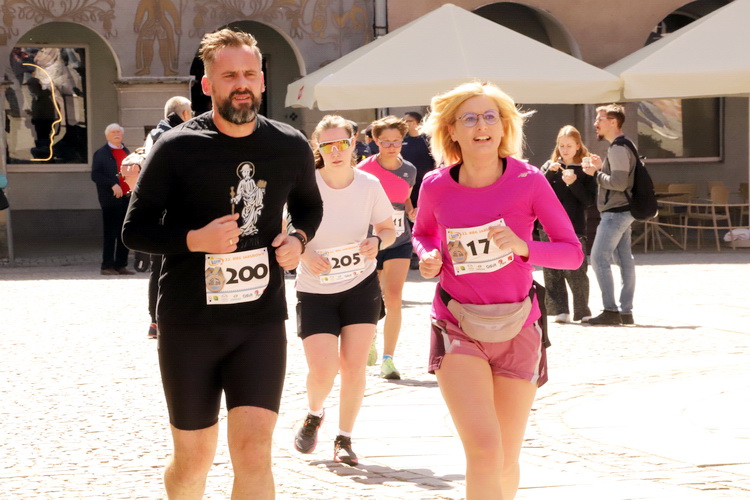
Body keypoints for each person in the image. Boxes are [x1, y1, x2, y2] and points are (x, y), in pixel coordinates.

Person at [122, 28, 323, 498]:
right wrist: (195, 240)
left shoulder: (289, 144)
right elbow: (135, 230)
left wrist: (298, 238)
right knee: (193, 461)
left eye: (250, 73)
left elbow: (310, 207)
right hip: (190, 324)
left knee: (254, 453)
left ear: (263, 81)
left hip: (259, 322)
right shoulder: (177, 147)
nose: (242, 84)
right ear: (208, 84)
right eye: (230, 75)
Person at [413, 81, 583, 500]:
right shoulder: (435, 185)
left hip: (518, 326)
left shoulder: (529, 180)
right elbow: (423, 233)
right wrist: (428, 255)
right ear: (452, 130)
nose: (482, 126)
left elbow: (572, 254)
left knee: (506, 457)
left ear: (504, 126)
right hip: (458, 325)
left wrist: (524, 247)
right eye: (470, 118)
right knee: (485, 452)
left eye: (491, 117)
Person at [292, 115, 396, 466]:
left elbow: (388, 228)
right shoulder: (304, 185)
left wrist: (377, 241)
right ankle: (314, 413)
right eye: (327, 145)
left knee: (354, 367)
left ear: (353, 144)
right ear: (317, 148)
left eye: (342, 144)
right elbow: (282, 231)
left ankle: (344, 438)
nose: (335, 152)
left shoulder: (369, 184)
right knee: (323, 370)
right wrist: (303, 252)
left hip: (360, 286)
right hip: (314, 290)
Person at [357, 115, 416, 379]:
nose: (392, 147)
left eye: (397, 141)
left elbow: (405, 200)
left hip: (399, 241)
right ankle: (369, 338)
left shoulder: (410, 170)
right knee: (371, 298)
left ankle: (388, 359)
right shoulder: (363, 170)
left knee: (393, 296)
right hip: (370, 243)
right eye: (385, 142)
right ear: (375, 141)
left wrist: (412, 211)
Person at [141, 95, 193, 339]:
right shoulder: (175, 136)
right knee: (173, 265)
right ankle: (167, 319)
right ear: (185, 114)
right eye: (191, 112)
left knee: (158, 267)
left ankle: (156, 321)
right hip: (170, 212)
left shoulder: (154, 135)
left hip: (155, 210)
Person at [582, 104, 637, 326]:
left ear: (613, 122)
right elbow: (619, 178)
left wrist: (595, 173)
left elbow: (619, 183)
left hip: (616, 213)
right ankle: (626, 311)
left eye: (600, 119)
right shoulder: (625, 145)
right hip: (623, 211)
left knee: (598, 259)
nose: (595, 123)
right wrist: (601, 168)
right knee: (624, 260)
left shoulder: (618, 148)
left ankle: (610, 310)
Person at [540, 125, 597, 323]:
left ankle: (582, 311)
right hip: (548, 225)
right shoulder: (550, 167)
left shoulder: (585, 169)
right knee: (551, 270)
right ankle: (559, 311)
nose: (564, 149)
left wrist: (574, 183)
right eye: (561, 145)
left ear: (578, 146)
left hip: (574, 226)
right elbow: (536, 191)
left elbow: (589, 201)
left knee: (577, 270)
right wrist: (549, 173)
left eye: (569, 146)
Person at [91, 123, 134, 276]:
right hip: (110, 199)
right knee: (111, 233)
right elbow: (96, 175)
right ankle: (106, 266)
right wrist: (112, 184)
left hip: (127, 197)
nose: (116, 134)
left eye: (118, 132)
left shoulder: (126, 151)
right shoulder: (101, 153)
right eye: (113, 132)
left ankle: (121, 265)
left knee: (124, 232)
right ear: (107, 136)